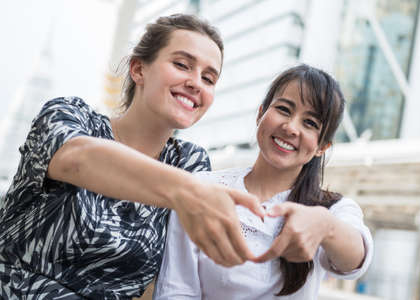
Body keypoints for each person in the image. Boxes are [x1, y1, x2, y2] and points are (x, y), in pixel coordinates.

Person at [0, 14, 265, 299]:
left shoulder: (189, 163)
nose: (196, 83)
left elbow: (173, 272)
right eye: (181, 65)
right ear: (138, 69)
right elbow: (76, 159)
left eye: (209, 78)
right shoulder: (68, 115)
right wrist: (189, 191)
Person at [153, 64, 374, 299]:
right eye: (283, 109)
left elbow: (356, 261)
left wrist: (325, 226)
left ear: (322, 147)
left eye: (310, 123)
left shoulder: (333, 209)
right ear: (261, 113)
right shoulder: (202, 188)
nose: (290, 127)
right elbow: (176, 289)